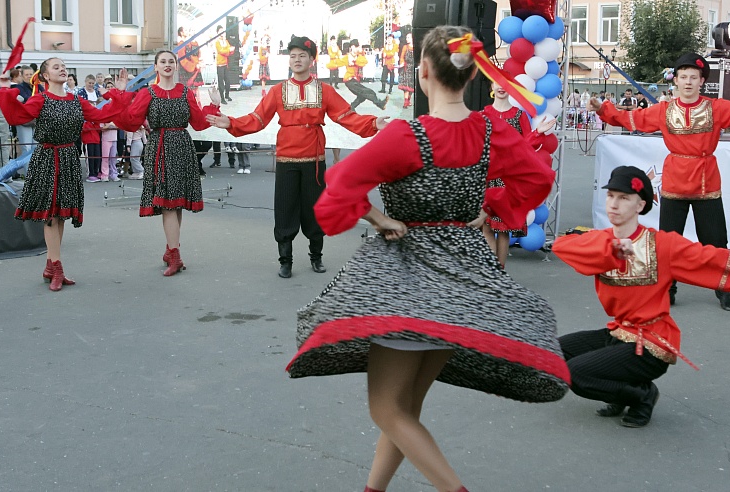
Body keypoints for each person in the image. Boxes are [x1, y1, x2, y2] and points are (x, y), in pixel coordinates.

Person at [285, 26, 568, 492]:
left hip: (403, 281)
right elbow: (537, 178)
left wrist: (379, 219)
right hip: (461, 285)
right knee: (405, 411)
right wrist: (490, 207)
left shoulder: (406, 136)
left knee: (386, 410)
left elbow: (340, 186)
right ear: (471, 74)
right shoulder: (490, 132)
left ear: (422, 73)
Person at [553, 166, 730, 428]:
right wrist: (610, 249)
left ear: (640, 204)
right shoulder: (600, 239)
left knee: (576, 374)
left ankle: (642, 395)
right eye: (611, 196)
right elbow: (563, 246)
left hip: (651, 342)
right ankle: (622, 389)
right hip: (619, 333)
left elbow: (721, 262)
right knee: (555, 354)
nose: (614, 204)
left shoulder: (663, 246)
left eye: (624, 198)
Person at [589, 52, 730, 310]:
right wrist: (603, 109)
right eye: (683, 77)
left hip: (706, 182)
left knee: (716, 242)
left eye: (693, 77)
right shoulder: (664, 111)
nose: (688, 82)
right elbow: (632, 119)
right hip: (674, 182)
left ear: (702, 81)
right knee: (669, 242)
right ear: (675, 81)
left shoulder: (715, 108)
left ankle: (723, 288)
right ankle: (668, 289)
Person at [208, 35, 387, 278]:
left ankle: (316, 256)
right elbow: (258, 119)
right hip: (286, 159)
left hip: (314, 159)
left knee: (315, 209)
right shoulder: (278, 90)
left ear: (312, 60)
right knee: (285, 209)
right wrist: (230, 122)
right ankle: (285, 260)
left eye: (302, 55)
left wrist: (373, 122)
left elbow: (345, 116)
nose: (297, 60)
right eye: (293, 56)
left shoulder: (324, 90)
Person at [0, 58, 127, 290]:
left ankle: (51, 264)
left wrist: (119, 93)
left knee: (61, 213)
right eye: (56, 67)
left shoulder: (77, 100)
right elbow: (17, 117)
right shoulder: (40, 99)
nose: (63, 69)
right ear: (45, 76)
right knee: (51, 214)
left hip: (68, 158)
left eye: (64, 66)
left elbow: (102, 116)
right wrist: (6, 89)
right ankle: (56, 267)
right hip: (47, 158)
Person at [113, 50, 221, 276]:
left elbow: (199, 123)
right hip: (160, 148)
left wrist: (214, 105)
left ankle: (171, 249)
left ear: (176, 66)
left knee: (176, 202)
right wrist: (120, 95)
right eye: (163, 62)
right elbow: (130, 122)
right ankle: (174, 255)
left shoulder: (185, 92)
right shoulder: (147, 92)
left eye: (171, 61)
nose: (168, 64)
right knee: (170, 203)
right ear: (156, 67)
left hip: (182, 147)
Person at [481, 81, 557, 266]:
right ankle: (493, 274)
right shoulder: (483, 115)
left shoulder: (519, 115)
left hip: (507, 178)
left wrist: (536, 132)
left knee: (504, 229)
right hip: (487, 176)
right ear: (491, 87)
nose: (500, 87)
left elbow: (523, 146)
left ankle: (500, 274)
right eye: (496, 83)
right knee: (486, 225)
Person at [342, 40, 389, 111]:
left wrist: (358, 57)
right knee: (368, 92)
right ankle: (380, 104)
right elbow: (340, 62)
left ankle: (351, 107)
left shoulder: (357, 56)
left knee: (362, 96)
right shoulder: (348, 56)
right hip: (349, 80)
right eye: (358, 47)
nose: (359, 49)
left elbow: (364, 62)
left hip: (354, 80)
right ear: (352, 47)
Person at [214, 25, 233, 104]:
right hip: (220, 64)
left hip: (225, 63)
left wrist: (228, 50)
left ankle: (227, 95)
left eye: (223, 31)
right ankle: (222, 98)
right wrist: (228, 50)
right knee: (221, 82)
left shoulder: (226, 41)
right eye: (220, 32)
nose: (222, 33)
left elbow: (230, 51)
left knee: (227, 81)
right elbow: (221, 51)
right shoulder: (217, 42)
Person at [397, 32, 415, 109]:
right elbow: (402, 57)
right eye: (406, 37)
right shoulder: (405, 47)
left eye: (408, 37)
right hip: (406, 68)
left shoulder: (416, 47)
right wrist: (401, 63)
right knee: (406, 87)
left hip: (413, 68)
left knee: (411, 86)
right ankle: (405, 102)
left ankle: (408, 100)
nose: (407, 39)